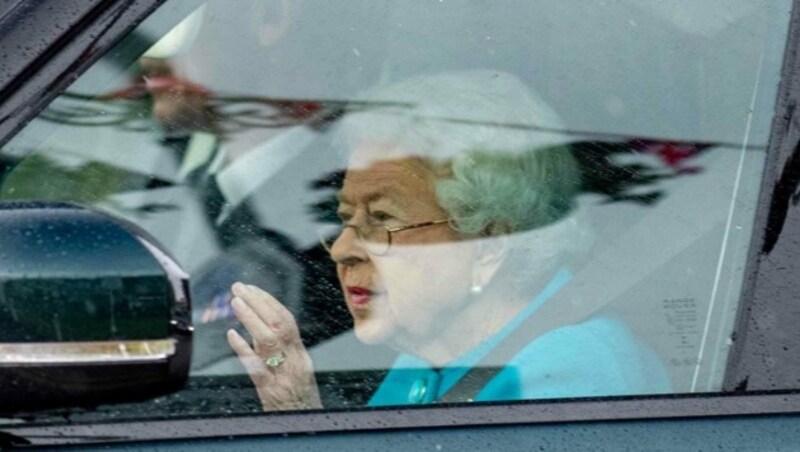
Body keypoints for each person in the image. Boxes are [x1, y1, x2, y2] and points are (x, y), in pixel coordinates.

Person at [226, 71, 671, 410]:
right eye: (344, 220)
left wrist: (303, 416)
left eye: (381, 219)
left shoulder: (572, 375)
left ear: (489, 245)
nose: (342, 250)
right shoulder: (430, 356)